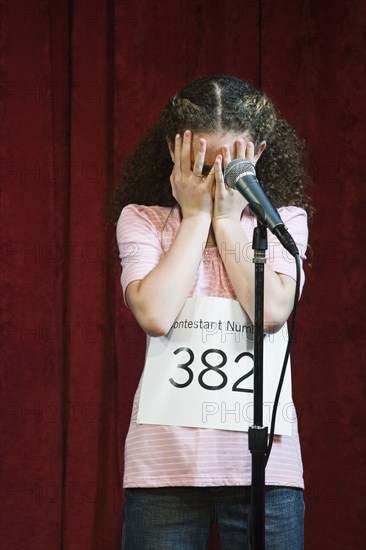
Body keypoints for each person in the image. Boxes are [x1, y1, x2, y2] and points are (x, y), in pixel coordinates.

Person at [114, 75, 313, 549]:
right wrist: (197, 217)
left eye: (229, 165)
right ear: (174, 151)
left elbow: (271, 313)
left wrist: (226, 220)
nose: (214, 177)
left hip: (264, 464)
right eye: (202, 164)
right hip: (165, 465)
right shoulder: (142, 219)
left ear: (259, 153)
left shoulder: (283, 220)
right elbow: (156, 315)